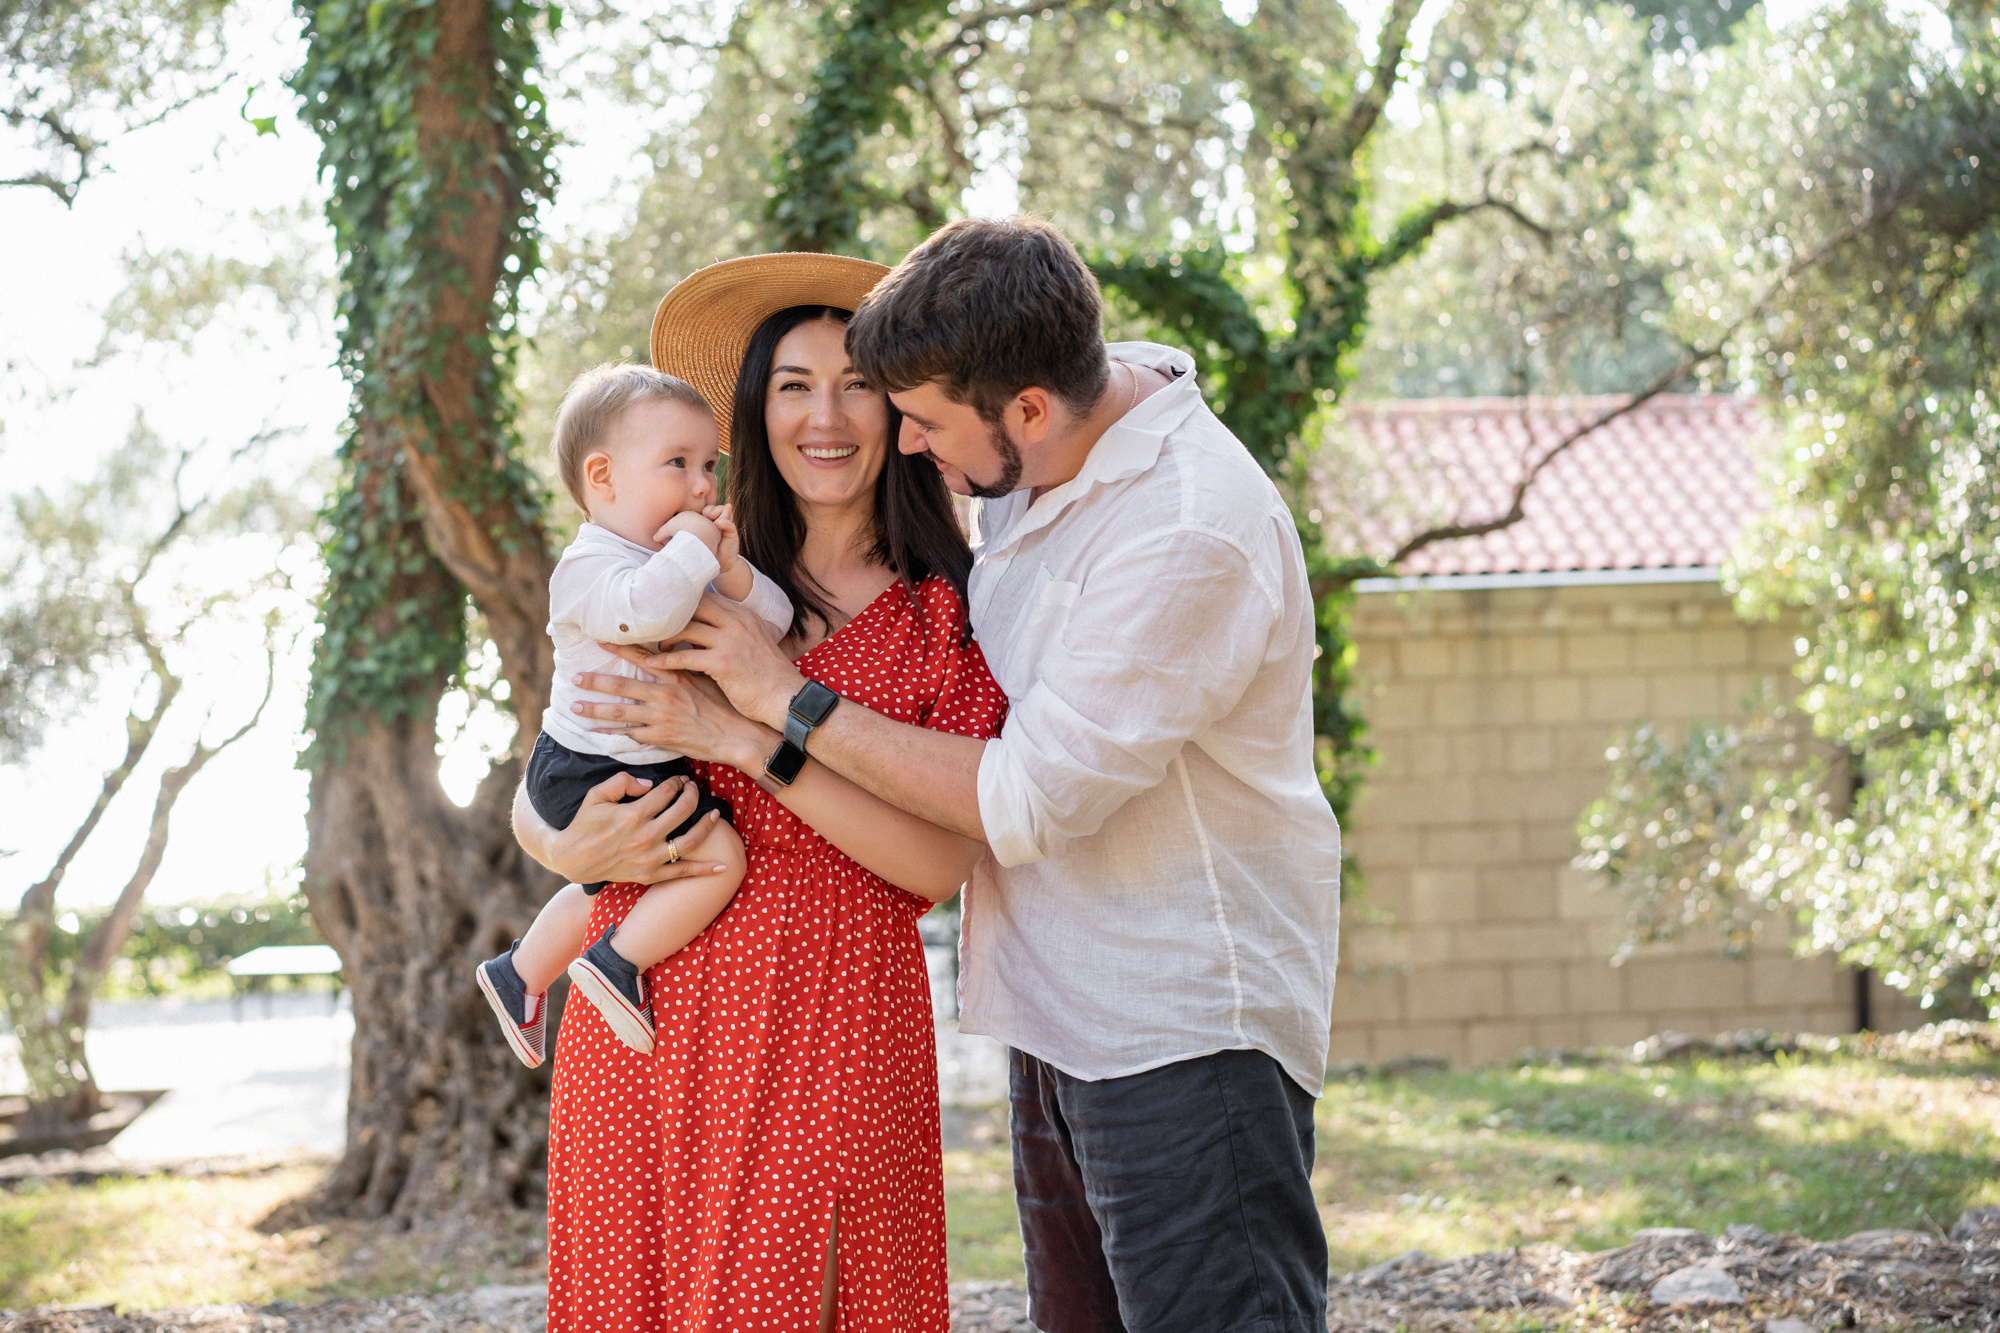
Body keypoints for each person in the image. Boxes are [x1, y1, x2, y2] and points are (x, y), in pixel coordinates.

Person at [583, 218, 1343, 1333]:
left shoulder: (1186, 529)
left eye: (916, 418)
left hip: (1180, 1025)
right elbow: (579, 749)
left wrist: (770, 708)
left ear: (1024, 410)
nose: (903, 440)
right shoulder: (1038, 440)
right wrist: (568, 845)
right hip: (1057, 1011)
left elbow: (1019, 801)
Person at [513, 254, 1008, 1332]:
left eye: (855, 382)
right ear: (753, 405)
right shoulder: (675, 565)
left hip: (829, 997)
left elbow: (934, 866)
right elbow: (562, 750)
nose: (824, 415)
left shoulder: (946, 612)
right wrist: (553, 842)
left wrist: (745, 735)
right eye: (793, 383)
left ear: (899, 405)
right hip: (635, 993)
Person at [475, 364, 786, 1065]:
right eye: (677, 464)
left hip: (629, 765)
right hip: (586, 768)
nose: (704, 485)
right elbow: (647, 607)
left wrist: (731, 568)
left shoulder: (674, 563)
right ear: (604, 478)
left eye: (709, 465)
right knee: (716, 859)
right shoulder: (591, 568)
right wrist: (694, 549)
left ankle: (520, 972)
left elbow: (775, 625)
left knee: (615, 880)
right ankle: (616, 964)